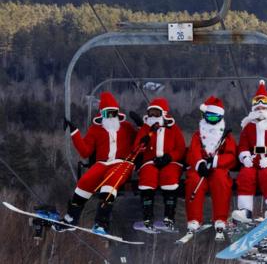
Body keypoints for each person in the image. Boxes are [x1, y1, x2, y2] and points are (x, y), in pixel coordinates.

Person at [55, 92, 137, 234]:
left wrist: (142, 127)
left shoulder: (127, 128)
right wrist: (75, 133)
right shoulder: (96, 130)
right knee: (85, 182)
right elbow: (85, 151)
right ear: (102, 114)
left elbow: (139, 142)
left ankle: (101, 223)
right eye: (107, 114)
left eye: (113, 113)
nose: (111, 118)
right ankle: (71, 219)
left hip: (123, 163)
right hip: (102, 163)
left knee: (110, 182)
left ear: (117, 113)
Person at [232, 80, 267, 222]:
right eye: (257, 108)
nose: (260, 111)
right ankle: (245, 210)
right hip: (253, 162)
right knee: (245, 175)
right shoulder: (248, 127)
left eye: (263, 108)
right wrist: (245, 157)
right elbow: (243, 146)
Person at [185, 96, 236, 240]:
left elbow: (231, 156)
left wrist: (216, 161)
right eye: (209, 118)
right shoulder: (198, 136)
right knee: (194, 180)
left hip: (217, 168)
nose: (211, 121)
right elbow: (193, 152)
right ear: (204, 117)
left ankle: (220, 218)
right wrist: (199, 163)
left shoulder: (226, 137)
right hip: (201, 169)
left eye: (215, 118)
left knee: (221, 180)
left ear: (220, 118)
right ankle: (194, 219)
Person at [134, 98, 186, 231]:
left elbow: (180, 148)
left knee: (169, 177)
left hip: (170, 161)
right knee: (147, 177)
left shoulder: (172, 128)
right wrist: (143, 143)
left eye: (156, 113)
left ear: (163, 113)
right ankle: (147, 217)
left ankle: (169, 217)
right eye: (150, 113)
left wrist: (170, 157)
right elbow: (136, 148)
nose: (153, 116)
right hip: (150, 161)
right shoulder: (146, 129)